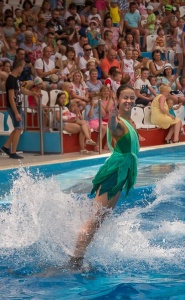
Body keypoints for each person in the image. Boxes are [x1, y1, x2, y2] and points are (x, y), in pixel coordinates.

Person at [69, 84, 140, 268]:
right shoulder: (118, 123)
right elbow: (114, 127)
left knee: (99, 219)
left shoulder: (130, 123)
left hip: (120, 174)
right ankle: (75, 260)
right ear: (117, 99)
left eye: (132, 97)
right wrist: (113, 118)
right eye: (125, 97)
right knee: (96, 220)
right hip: (114, 173)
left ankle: (79, 255)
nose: (129, 101)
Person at [0, 60, 39, 159]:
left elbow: (21, 90)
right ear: (18, 67)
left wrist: (33, 93)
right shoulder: (11, 79)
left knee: (18, 128)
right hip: (14, 107)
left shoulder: (16, 79)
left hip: (18, 106)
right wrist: (16, 113)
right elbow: (11, 97)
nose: (23, 69)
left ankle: (6, 147)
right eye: (23, 67)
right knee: (18, 129)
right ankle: (13, 152)